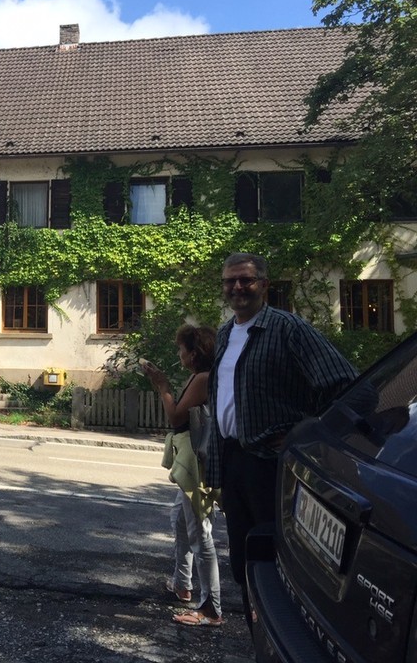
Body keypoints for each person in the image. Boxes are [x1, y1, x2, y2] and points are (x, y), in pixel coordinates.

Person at [205, 252, 358, 630]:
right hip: (234, 461)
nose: (237, 287)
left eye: (246, 280)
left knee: (278, 561)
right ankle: (256, 634)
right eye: (230, 281)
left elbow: (351, 389)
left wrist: (303, 434)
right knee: (243, 559)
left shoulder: (289, 330)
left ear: (264, 285)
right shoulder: (226, 333)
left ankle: (286, 635)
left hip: (272, 466)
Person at [143, 325, 223, 627]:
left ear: (194, 353)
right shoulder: (201, 376)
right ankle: (182, 583)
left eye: (182, 349)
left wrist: (162, 385)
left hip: (198, 465)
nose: (179, 354)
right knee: (179, 518)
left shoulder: (203, 378)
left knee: (200, 533)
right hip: (193, 463)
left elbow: (176, 416)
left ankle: (212, 609)